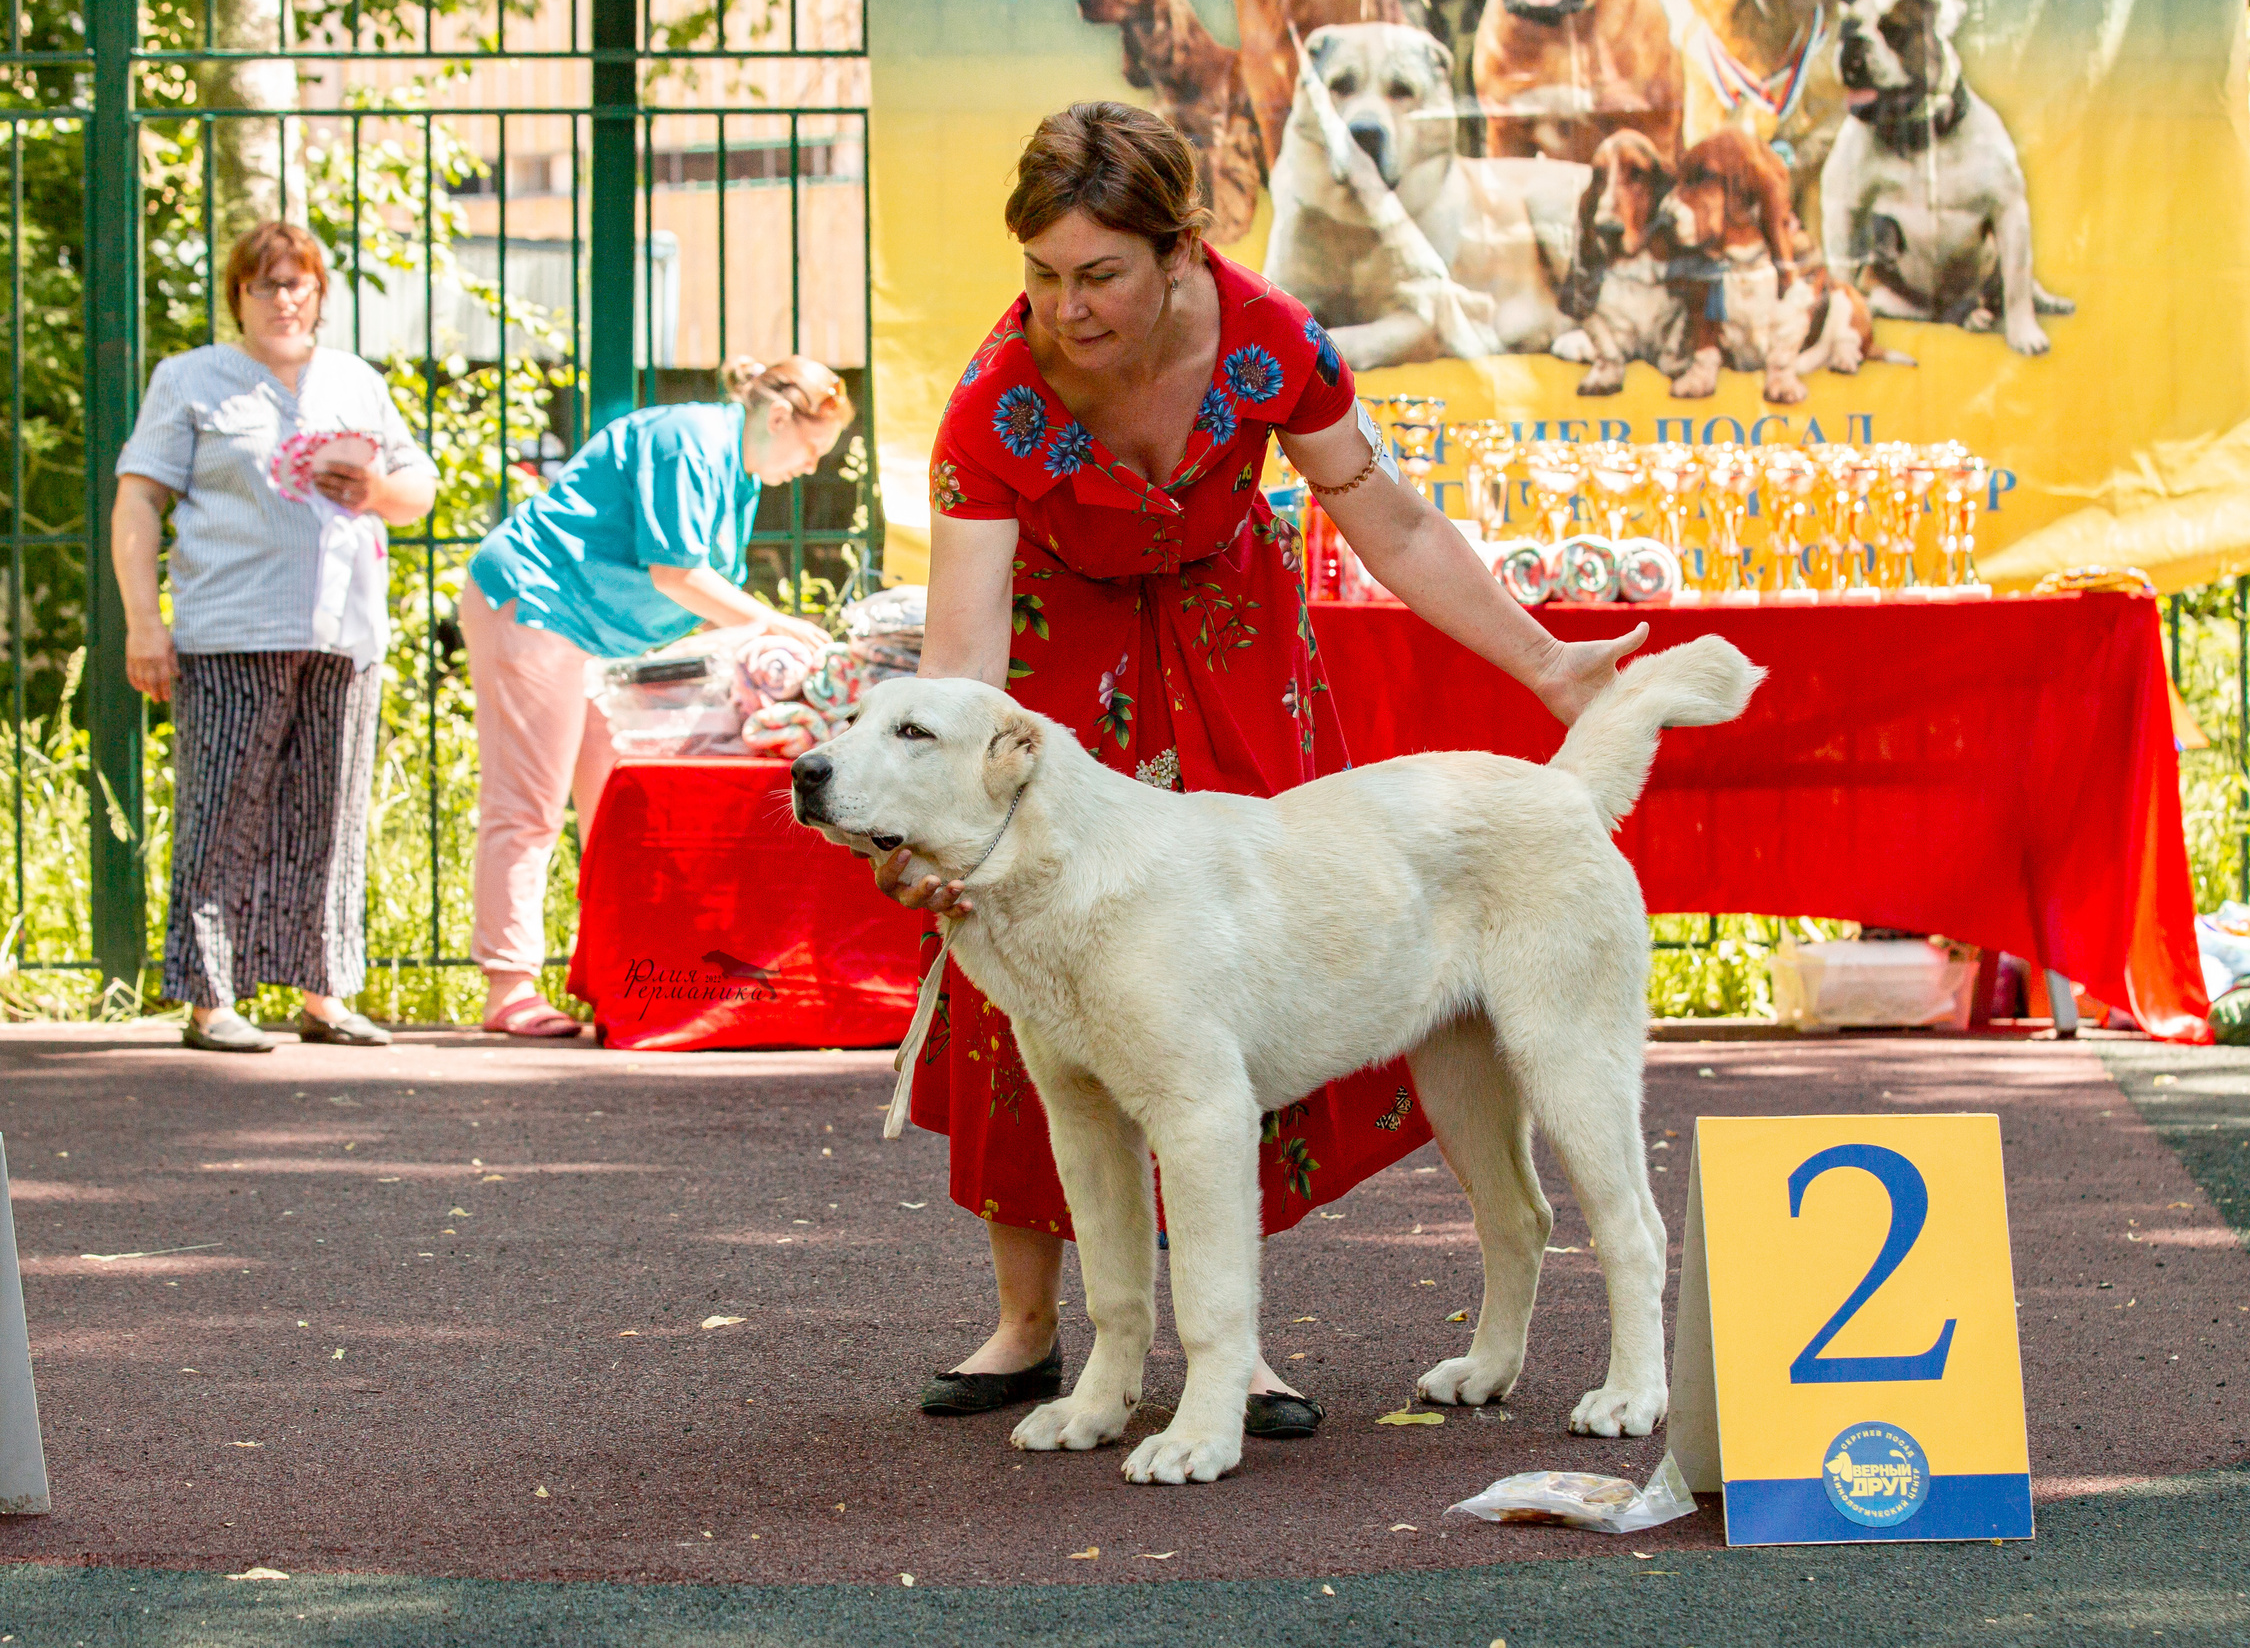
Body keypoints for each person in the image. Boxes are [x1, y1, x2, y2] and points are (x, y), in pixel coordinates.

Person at [886, 102, 1641, 1432]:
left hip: (1235, 640)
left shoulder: (1276, 338)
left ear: (1180, 252)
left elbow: (1394, 524)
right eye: (1043, 275)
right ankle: (1028, 1322)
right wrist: (948, 833)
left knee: (1256, 974)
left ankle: (1235, 1350)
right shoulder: (989, 405)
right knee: (1038, 994)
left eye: (1100, 274)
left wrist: (1548, 666)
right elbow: (963, 650)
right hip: (1060, 680)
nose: (1067, 307)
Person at [110, 222, 439, 1053]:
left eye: (299, 284)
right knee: (220, 812)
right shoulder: (189, 380)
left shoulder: (355, 381)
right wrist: (144, 623)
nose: (284, 299)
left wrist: (374, 487)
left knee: (330, 814)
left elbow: (417, 490)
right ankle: (210, 998)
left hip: (344, 635)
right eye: (266, 286)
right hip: (229, 631)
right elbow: (138, 501)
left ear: (321, 296)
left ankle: (325, 993)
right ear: (239, 298)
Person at [461, 357, 848, 1036]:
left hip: (592, 635)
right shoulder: (692, 439)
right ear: (781, 417)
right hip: (535, 604)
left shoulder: (739, 468)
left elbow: (701, 590)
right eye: (814, 447)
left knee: (610, 808)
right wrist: (781, 624)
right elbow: (679, 573)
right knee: (529, 801)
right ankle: (508, 986)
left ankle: (606, 976)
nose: (811, 466)